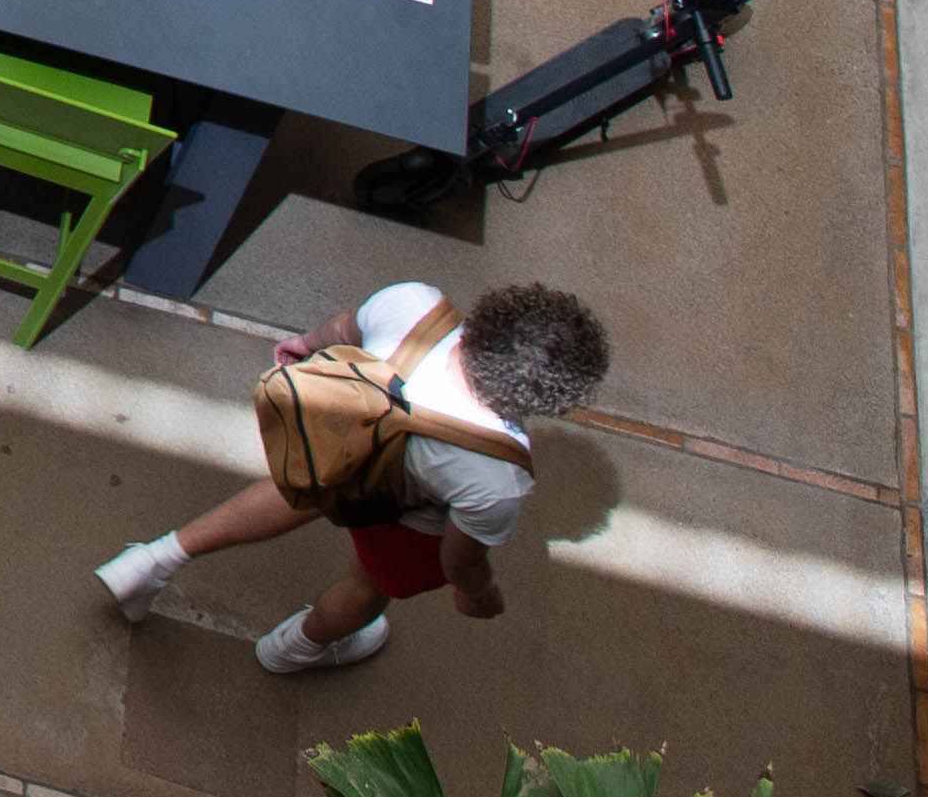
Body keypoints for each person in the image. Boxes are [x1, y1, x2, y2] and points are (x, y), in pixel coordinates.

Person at [97, 277, 613, 676]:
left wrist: (302, 347)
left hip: (337, 448)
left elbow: (340, 332)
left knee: (299, 490)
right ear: (549, 400)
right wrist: (477, 594)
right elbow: (461, 557)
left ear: (488, 316)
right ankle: (296, 649)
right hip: (406, 519)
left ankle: (155, 559)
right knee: (368, 587)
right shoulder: (501, 477)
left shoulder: (414, 303)